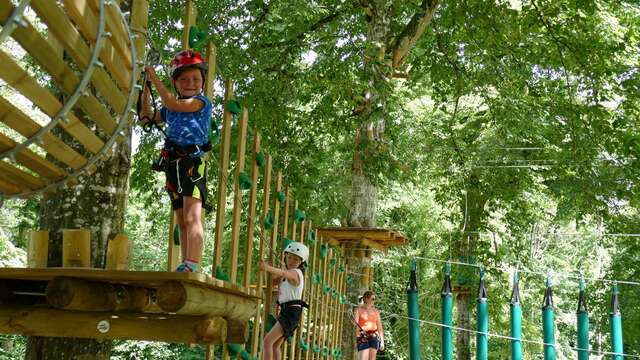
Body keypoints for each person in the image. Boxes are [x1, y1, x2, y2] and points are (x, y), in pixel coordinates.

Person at [140, 49, 212, 273]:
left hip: (192, 163)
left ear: (203, 82)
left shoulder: (201, 102)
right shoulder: (169, 108)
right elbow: (146, 117)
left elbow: (173, 103)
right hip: (173, 164)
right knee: (181, 219)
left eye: (196, 79)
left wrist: (153, 76)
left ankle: (192, 263)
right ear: (176, 82)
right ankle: (185, 262)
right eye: (184, 79)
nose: (190, 83)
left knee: (193, 216)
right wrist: (146, 87)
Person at [258, 242, 309, 360]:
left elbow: (283, 273)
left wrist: (268, 268)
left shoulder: (296, 273)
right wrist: (269, 270)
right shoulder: (288, 273)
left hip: (291, 312)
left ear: (301, 262)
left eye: (295, 259)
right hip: (289, 311)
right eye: (289, 257)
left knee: (267, 342)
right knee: (275, 345)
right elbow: (272, 283)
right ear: (285, 256)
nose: (291, 261)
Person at [354, 291, 385, 359]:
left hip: (374, 336)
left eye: (374, 299)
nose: (374, 301)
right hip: (362, 336)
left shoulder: (376, 311)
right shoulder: (358, 310)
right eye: (373, 299)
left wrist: (382, 342)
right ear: (366, 299)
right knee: (363, 358)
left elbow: (380, 328)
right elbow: (355, 324)